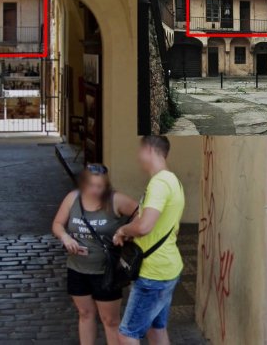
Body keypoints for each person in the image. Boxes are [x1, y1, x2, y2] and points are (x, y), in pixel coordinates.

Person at [52, 164, 138, 345]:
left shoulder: (116, 200)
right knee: (85, 314)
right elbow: (58, 224)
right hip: (77, 268)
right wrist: (65, 238)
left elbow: (141, 213)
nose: (96, 190)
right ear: (84, 184)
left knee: (110, 320)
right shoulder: (72, 198)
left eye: (100, 186)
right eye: (92, 185)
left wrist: (125, 231)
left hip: (106, 272)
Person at [112, 136, 184, 345]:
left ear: (150, 150)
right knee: (156, 329)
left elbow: (144, 226)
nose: (138, 157)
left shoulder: (159, 183)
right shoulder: (173, 181)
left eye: (140, 151)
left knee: (126, 334)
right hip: (167, 268)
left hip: (154, 273)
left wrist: (123, 229)